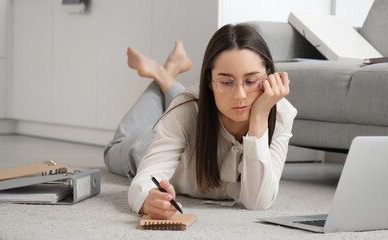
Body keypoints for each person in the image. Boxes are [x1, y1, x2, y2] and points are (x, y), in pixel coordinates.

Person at [104, 24, 297, 219]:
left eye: (251, 81)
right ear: (209, 81)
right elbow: (145, 181)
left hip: (193, 113)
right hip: (146, 144)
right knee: (112, 149)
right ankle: (161, 72)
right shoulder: (185, 110)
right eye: (226, 82)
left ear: (269, 76)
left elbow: (258, 203)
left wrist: (258, 117)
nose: (240, 95)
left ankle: (167, 70)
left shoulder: (281, 114)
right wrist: (147, 200)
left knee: (192, 102)